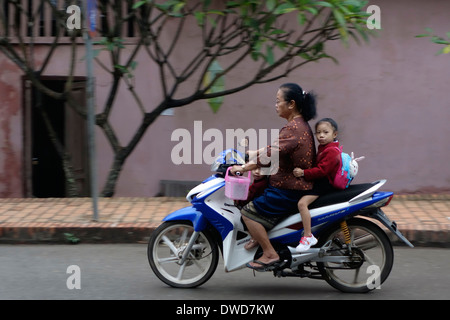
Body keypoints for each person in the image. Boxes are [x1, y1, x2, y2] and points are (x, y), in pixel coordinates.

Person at [230, 83, 317, 271]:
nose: (275, 105)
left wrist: (243, 167)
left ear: (291, 104)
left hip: (289, 190)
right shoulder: (297, 126)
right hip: (287, 185)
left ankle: (270, 253)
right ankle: (260, 235)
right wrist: (250, 154)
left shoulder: (294, 128)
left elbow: (270, 156)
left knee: (247, 213)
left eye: (278, 101)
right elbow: (273, 149)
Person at [293, 118, 341, 252]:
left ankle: (308, 236)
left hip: (323, 185)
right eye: (318, 132)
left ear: (334, 134)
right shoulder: (325, 147)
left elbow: (322, 170)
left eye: (326, 132)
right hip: (320, 183)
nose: (321, 136)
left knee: (302, 204)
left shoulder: (331, 151)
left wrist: (303, 173)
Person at [234, 167, 268, 250]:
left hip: (258, 206)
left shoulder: (259, 185)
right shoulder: (260, 181)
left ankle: (255, 237)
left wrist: (238, 201)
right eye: (254, 169)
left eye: (261, 169)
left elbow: (248, 197)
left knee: (243, 217)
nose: (256, 172)